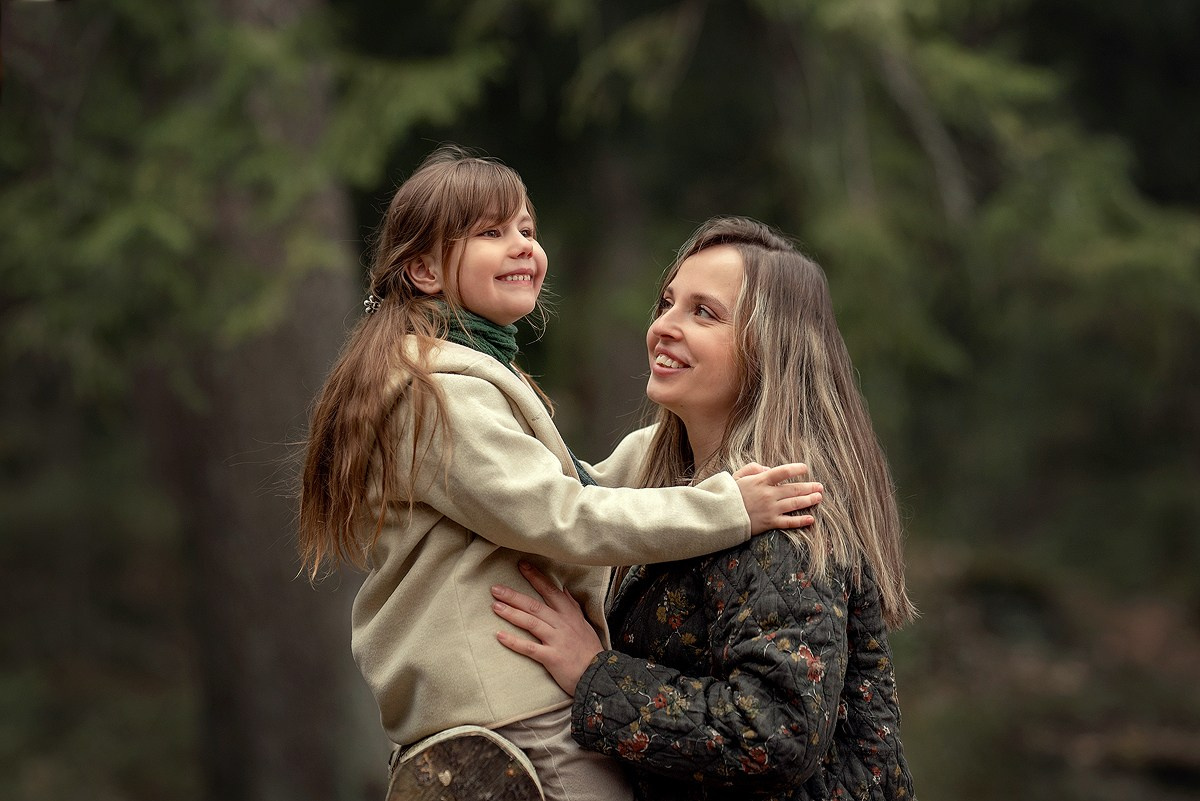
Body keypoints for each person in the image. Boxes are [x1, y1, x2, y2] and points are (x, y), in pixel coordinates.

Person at [297, 148, 823, 801]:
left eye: (526, 227)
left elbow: (575, 487)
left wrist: (693, 427)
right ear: (425, 270)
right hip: (514, 716)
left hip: (506, 705)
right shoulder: (437, 396)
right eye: (491, 232)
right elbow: (563, 517)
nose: (522, 245)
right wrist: (731, 508)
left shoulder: (466, 373)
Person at [491, 216, 918, 800]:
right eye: (667, 303)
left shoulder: (781, 516)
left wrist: (595, 674)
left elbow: (775, 732)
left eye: (703, 313)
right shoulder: (698, 501)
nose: (663, 327)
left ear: (769, 349)